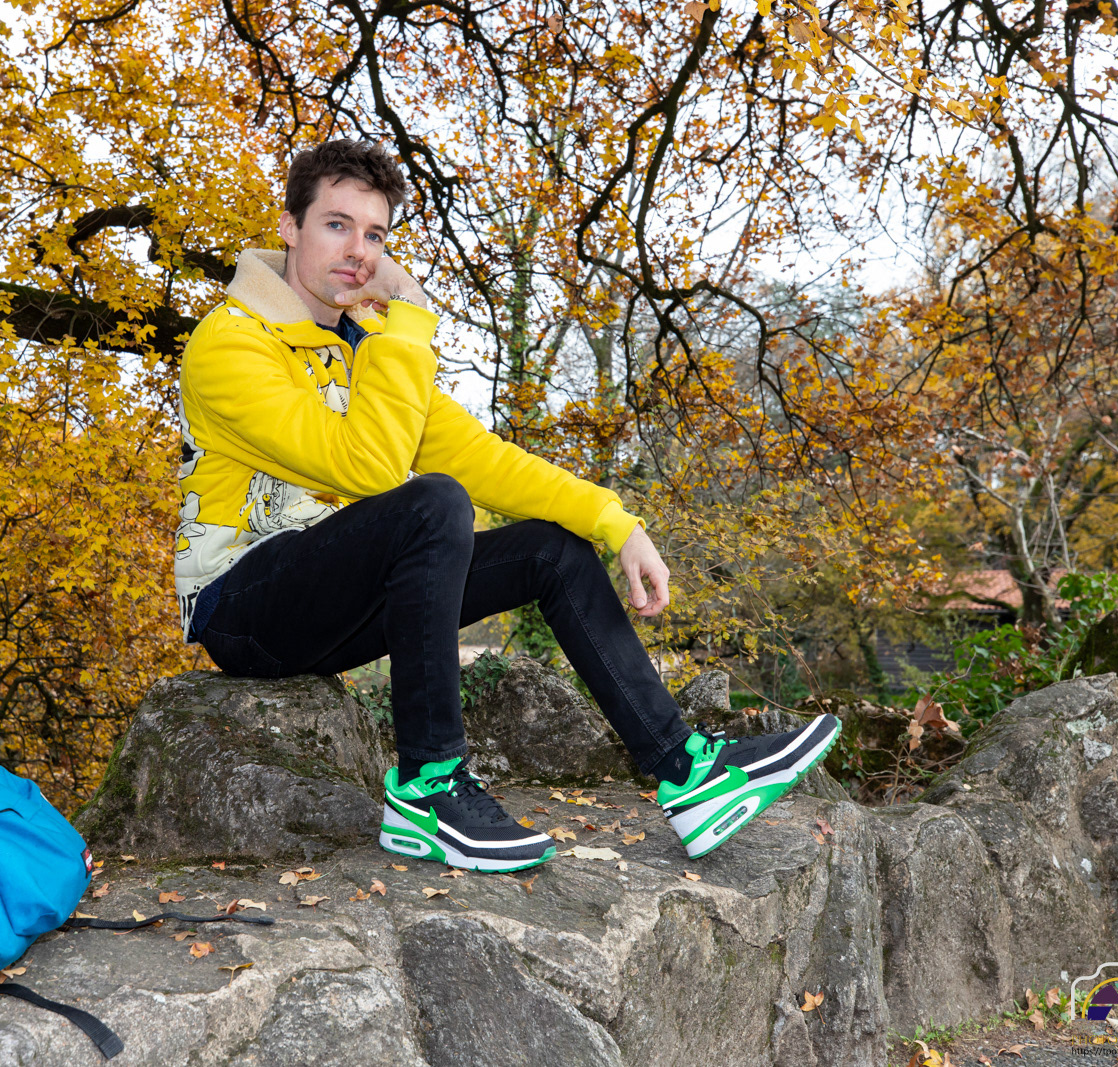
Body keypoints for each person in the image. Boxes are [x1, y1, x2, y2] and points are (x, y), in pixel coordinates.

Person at [173, 139, 840, 872]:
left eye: (376, 234)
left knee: (551, 550)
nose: (359, 251)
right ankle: (428, 785)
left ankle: (686, 770)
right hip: (243, 608)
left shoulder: (369, 352)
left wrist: (617, 523)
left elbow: (483, 458)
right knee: (432, 503)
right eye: (337, 225)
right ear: (290, 228)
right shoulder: (229, 343)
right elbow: (368, 468)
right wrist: (410, 316)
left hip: (336, 600)